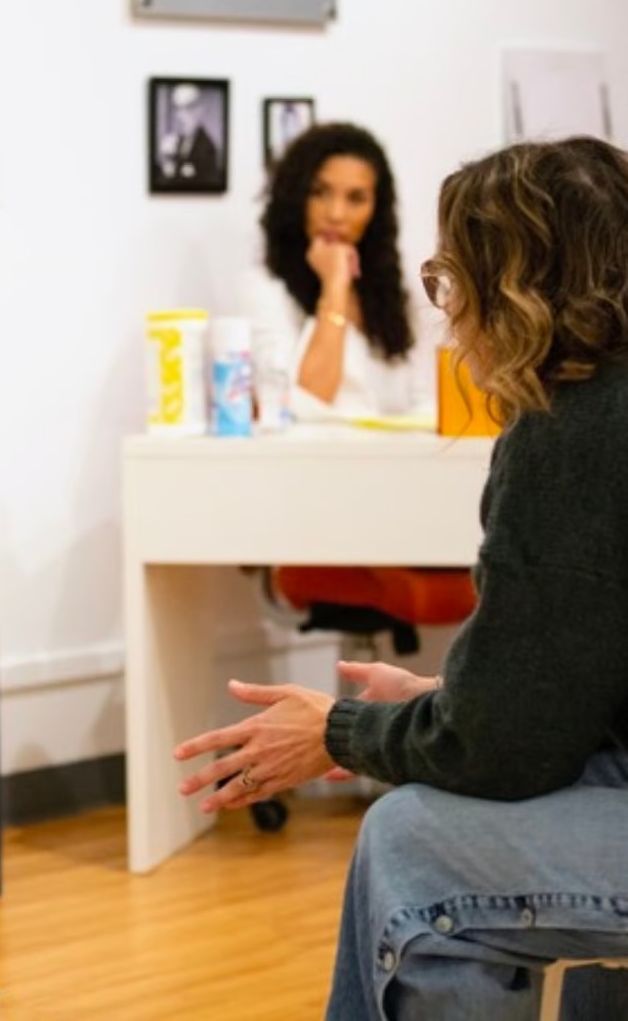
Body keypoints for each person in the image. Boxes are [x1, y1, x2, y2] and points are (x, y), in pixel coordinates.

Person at [177, 135, 628, 1019]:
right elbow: (570, 685)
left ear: (515, 284)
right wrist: (443, 697)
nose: (448, 312)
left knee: (412, 843)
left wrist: (345, 731)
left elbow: (502, 750)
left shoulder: (571, 436)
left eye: (452, 280)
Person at [240, 121, 421, 421]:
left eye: (355, 198)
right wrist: (335, 287)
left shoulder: (398, 296)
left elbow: (425, 401)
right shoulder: (264, 289)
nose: (336, 214)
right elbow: (305, 402)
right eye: (320, 192)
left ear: (376, 209)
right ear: (296, 198)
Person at [155, 82, 223, 190]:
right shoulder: (178, 141)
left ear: (200, 109)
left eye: (188, 107)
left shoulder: (207, 147)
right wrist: (167, 159)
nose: (181, 115)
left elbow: (204, 186)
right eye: (178, 108)